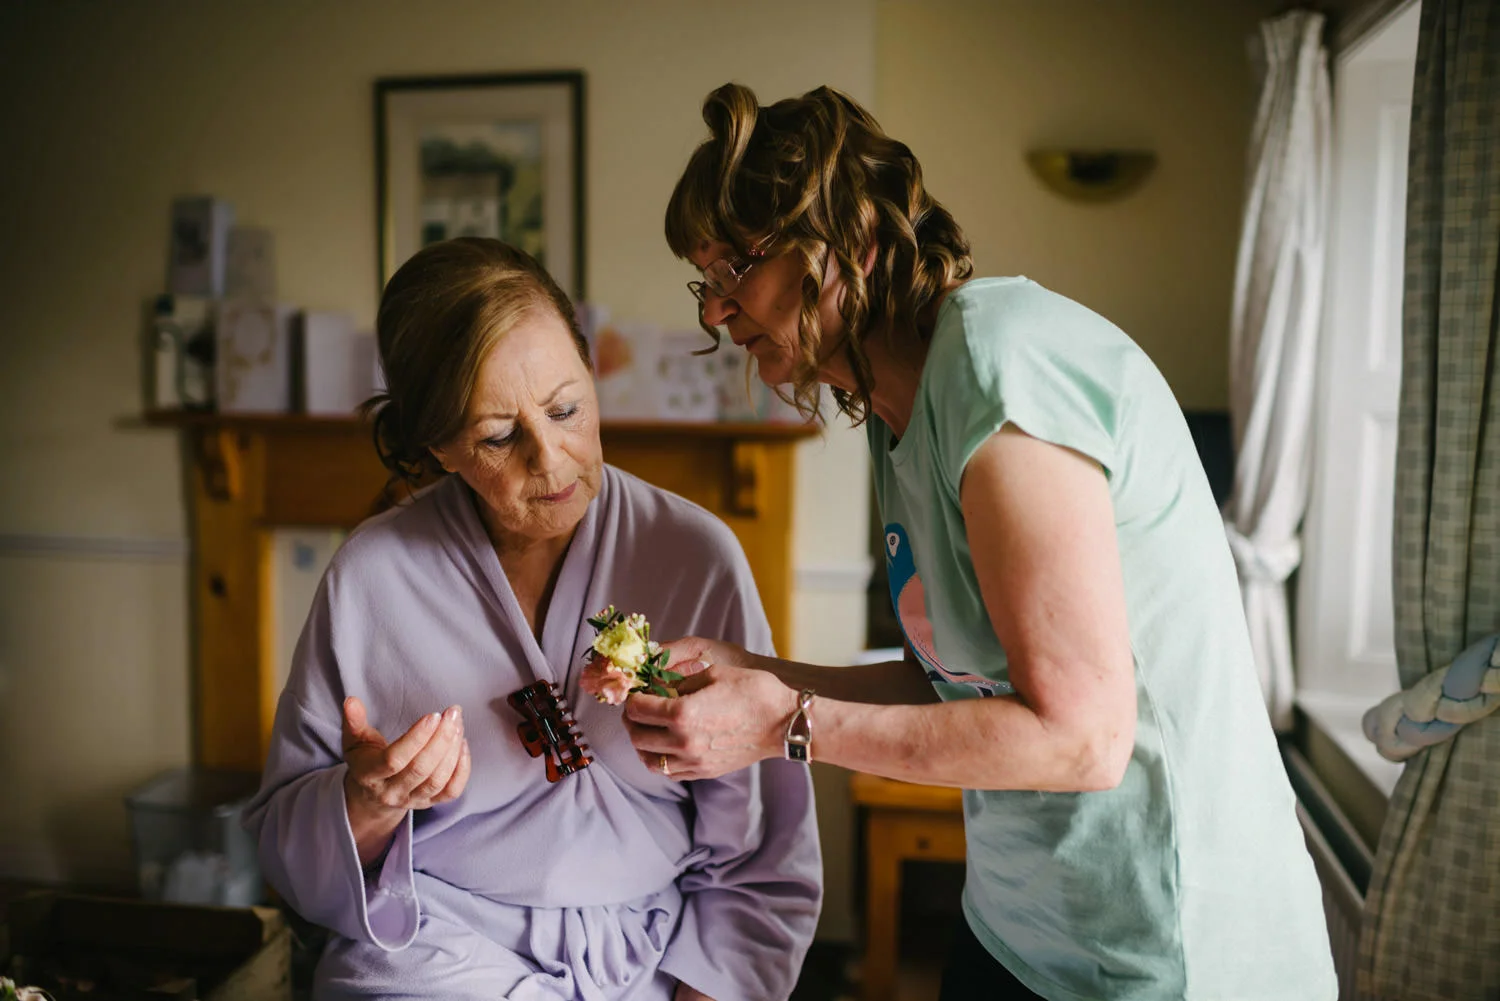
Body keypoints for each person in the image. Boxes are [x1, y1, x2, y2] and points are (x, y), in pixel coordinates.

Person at [625, 83, 1337, 1000]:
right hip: (1020, 929)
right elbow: (960, 680)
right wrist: (759, 672)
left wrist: (779, 724)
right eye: (705, 278)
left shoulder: (1001, 363)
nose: (716, 313)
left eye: (738, 268)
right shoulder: (895, 411)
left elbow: (1081, 739)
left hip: (1167, 951)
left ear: (853, 245)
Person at [243, 237, 821, 1001]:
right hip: (438, 950)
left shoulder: (694, 554)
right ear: (439, 447)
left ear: (591, 371)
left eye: (566, 407)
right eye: (496, 436)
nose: (549, 458)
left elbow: (766, 856)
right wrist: (369, 802)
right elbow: (287, 845)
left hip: (652, 951)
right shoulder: (371, 575)